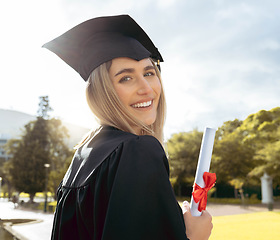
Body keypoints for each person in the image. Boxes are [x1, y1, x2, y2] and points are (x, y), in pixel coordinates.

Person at [43, 15, 213, 240]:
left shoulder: (85, 154)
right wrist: (194, 237)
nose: (146, 88)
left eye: (149, 73)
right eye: (126, 78)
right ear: (102, 91)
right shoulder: (137, 150)